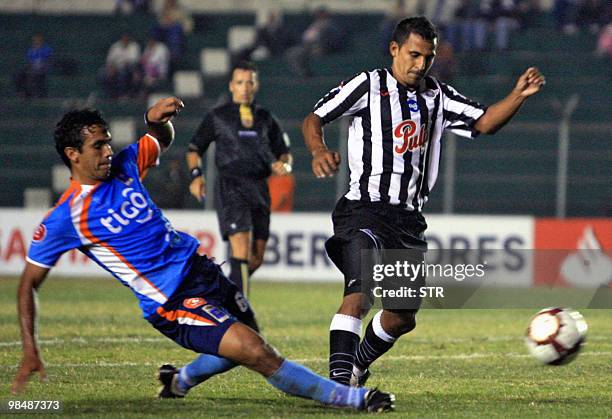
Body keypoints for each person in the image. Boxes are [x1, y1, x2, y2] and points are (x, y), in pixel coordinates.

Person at [10, 97, 394, 412]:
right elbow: (28, 284)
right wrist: (30, 349)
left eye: (109, 141)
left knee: (242, 346)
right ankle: (352, 398)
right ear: (72, 154)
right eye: (98, 146)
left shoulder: (126, 164)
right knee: (254, 350)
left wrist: (154, 120)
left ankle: (178, 381)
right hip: (172, 300)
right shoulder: (64, 218)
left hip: (203, 271)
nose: (108, 151)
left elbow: (161, 138)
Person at [302, 16, 545, 386]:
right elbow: (315, 118)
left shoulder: (439, 96)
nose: (420, 64)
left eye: (428, 57)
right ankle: (336, 384)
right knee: (360, 291)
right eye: (414, 55)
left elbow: (483, 123)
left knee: (401, 316)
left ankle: (356, 366)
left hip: (407, 220)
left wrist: (517, 96)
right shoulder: (368, 85)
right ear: (394, 49)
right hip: (363, 209)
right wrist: (318, 149)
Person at [186, 61, 292, 298]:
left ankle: (216, 292)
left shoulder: (266, 118)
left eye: (250, 82)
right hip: (230, 186)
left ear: (256, 85)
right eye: (240, 82)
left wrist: (284, 164)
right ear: (232, 86)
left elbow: (284, 151)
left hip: (259, 188)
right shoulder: (218, 116)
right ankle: (242, 317)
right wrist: (196, 176)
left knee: (255, 258)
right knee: (241, 248)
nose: (245, 87)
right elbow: (194, 148)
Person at [100, 33, 141, 98]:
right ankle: (109, 95)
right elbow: (110, 60)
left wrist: (123, 65)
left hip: (129, 68)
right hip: (115, 67)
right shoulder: (115, 46)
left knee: (123, 73)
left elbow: (134, 60)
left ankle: (122, 95)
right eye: (124, 38)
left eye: (127, 38)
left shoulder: (134, 46)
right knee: (102, 72)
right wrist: (111, 68)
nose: (125, 39)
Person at [14, 34, 53, 98]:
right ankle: (22, 92)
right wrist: (31, 67)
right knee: (18, 74)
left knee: (31, 74)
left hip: (43, 68)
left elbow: (48, 61)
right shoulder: (31, 50)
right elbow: (30, 61)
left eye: (38, 40)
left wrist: (41, 66)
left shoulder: (47, 49)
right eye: (35, 40)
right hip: (33, 67)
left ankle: (33, 94)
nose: (36, 42)